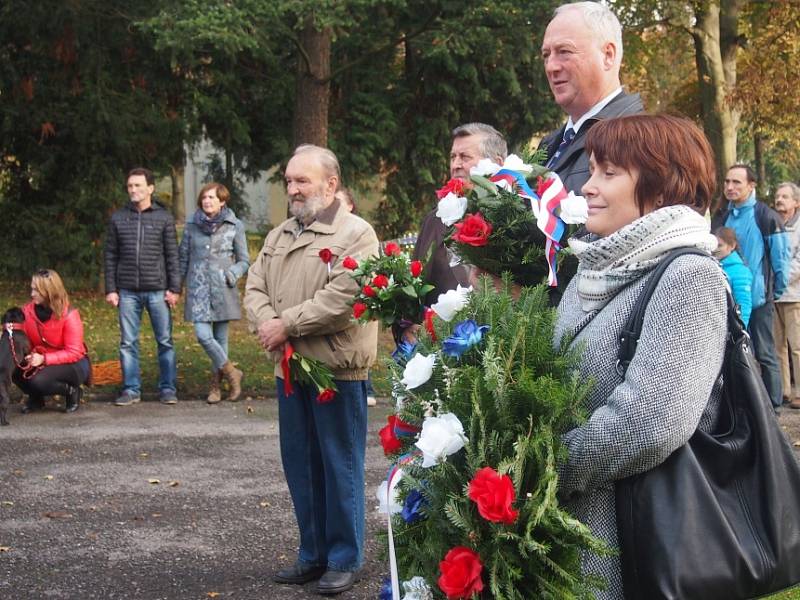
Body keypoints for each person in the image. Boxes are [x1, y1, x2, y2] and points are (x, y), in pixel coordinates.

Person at [553, 114, 726, 598]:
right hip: (578, 528)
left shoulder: (689, 276)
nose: (588, 187)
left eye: (608, 173)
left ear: (660, 185)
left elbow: (651, 422)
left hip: (633, 538)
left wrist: (543, 465)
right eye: (591, 170)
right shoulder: (594, 270)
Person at [244, 145, 378, 595]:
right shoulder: (279, 235)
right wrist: (266, 322)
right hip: (290, 371)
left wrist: (286, 324)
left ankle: (344, 557)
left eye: (302, 180)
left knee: (338, 465)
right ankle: (313, 553)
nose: (293, 189)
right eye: (289, 181)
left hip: (335, 371)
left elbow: (344, 298)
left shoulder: (357, 234)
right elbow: (255, 286)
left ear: (332, 184)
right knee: (301, 466)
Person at [539, 1, 644, 194]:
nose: (551, 67)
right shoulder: (549, 145)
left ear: (608, 55)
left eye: (564, 52)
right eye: (546, 55)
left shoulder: (637, 140)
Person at [711, 165, 790, 410]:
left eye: (736, 182)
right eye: (727, 182)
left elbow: (780, 258)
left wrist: (775, 291)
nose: (730, 187)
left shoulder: (766, 216)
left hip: (758, 298)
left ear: (751, 185)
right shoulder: (721, 216)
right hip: (726, 298)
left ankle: (773, 406)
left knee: (766, 354)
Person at [104, 167, 181, 406]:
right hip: (126, 291)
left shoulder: (164, 218)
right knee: (128, 342)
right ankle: (131, 389)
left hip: (158, 290)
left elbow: (172, 256)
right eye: (130, 186)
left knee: (165, 341)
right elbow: (110, 255)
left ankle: (168, 389)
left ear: (150, 188)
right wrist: (111, 289)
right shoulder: (118, 218)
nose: (133, 190)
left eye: (138, 185)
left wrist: (175, 288)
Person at [413, 122, 507, 305]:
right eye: (452, 157)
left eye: (464, 157)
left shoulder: (514, 220)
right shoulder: (434, 220)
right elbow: (413, 285)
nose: (455, 165)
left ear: (497, 164)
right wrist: (406, 326)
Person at [179, 182, 250, 404]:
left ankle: (216, 387)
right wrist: (176, 286)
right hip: (198, 288)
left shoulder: (234, 225)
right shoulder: (191, 225)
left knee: (220, 338)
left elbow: (244, 260)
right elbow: (183, 257)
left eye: (211, 198)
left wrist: (231, 274)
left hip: (223, 288)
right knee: (203, 335)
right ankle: (232, 372)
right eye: (204, 198)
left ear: (222, 201)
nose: (207, 201)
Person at [16, 269, 90, 414]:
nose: (32, 294)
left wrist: (44, 359)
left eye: (37, 290)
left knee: (37, 380)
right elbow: (21, 337)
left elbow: (74, 352)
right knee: (13, 370)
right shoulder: (27, 311)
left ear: (50, 291)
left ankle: (72, 391)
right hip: (41, 359)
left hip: (73, 364)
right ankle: (37, 398)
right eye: (32, 289)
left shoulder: (69, 315)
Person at [335, 187, 378, 407]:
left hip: (359, 300)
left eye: (339, 201)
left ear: (350, 205)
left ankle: (368, 388)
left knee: (357, 341)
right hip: (338, 299)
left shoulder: (360, 232)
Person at [773, 182, 800, 408]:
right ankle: (783, 390)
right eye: (777, 196)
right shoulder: (773, 224)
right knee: (777, 346)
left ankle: (799, 392)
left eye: (785, 197)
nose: (779, 200)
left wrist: (779, 279)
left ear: (796, 202)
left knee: (797, 347)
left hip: (794, 295)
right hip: (774, 296)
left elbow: (798, 263)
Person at [714, 227, 753, 327]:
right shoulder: (713, 266)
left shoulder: (740, 271)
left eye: (720, 245)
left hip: (731, 326)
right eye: (714, 245)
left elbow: (743, 303)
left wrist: (740, 328)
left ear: (732, 246)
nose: (716, 249)